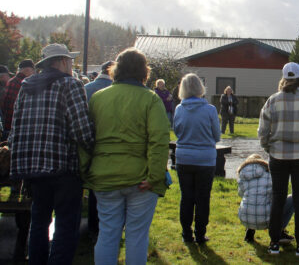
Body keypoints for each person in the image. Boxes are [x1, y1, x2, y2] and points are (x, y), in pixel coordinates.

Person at [83, 48, 170, 264]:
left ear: (116, 70)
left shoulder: (97, 98)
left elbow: (86, 138)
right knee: (137, 237)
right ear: (144, 71)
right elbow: (159, 140)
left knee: (107, 234)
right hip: (141, 178)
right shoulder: (151, 99)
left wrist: (85, 171)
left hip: (104, 177)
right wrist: (154, 176)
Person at [9, 44, 94, 265]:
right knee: (66, 224)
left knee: (38, 223)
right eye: (70, 61)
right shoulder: (70, 84)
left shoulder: (26, 86)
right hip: (63, 166)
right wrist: (93, 151)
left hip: (32, 167)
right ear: (62, 62)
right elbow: (81, 130)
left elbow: (15, 127)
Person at [258, 62, 299, 257]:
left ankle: (274, 243)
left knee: (278, 199)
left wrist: (268, 147)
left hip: (277, 156)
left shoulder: (272, 100)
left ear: (284, 78)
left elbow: (262, 131)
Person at [174, 73, 221, 244]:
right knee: (202, 197)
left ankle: (186, 234)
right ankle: (200, 233)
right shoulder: (210, 110)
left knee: (186, 197)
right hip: (205, 159)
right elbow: (217, 135)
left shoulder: (179, 109)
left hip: (184, 157)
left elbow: (177, 130)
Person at [83, 60, 115, 241]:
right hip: (110, 144)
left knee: (94, 187)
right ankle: (108, 228)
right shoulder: (116, 91)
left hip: (89, 144)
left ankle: (93, 225)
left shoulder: (87, 88)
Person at [237, 154, 294, 244]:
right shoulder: (270, 173)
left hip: (245, 219)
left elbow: (240, 194)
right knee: (292, 199)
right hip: (267, 220)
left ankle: (250, 230)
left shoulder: (242, 175)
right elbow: (277, 197)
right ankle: (280, 231)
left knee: (251, 200)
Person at [2, 59, 35, 140]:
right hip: (17, 128)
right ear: (28, 70)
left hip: (7, 125)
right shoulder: (25, 83)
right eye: (33, 70)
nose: (34, 73)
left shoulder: (10, 81)